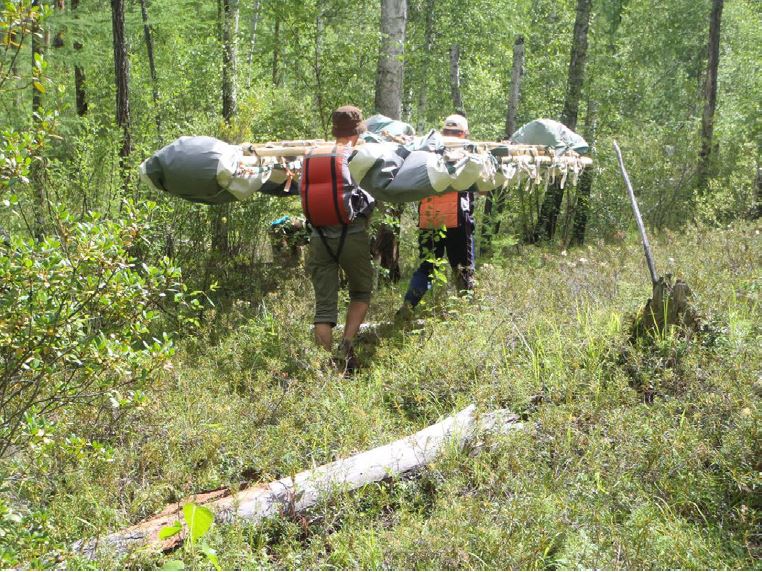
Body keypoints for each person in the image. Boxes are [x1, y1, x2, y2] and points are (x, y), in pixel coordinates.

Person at [300, 105, 375, 373]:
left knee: (324, 306)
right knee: (361, 291)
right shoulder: (358, 156)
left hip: (319, 237)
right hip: (352, 236)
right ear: (357, 132)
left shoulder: (310, 156)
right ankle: (346, 345)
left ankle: (324, 364)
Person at [397, 114, 476, 320]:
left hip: (429, 217)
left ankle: (408, 306)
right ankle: (467, 313)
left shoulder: (425, 151)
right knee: (463, 267)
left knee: (427, 266)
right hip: (457, 218)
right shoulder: (469, 153)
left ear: (443, 133)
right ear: (464, 133)